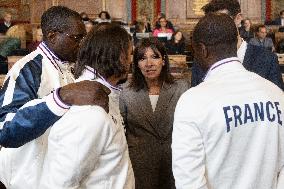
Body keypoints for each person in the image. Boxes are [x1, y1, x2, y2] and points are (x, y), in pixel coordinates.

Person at [0, 23, 135, 189]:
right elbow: (60, 184)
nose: (132, 60)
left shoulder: (95, 91)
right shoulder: (89, 111)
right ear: (119, 55)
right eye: (130, 54)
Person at [172, 13, 284, 189]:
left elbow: (189, 181)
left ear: (202, 50)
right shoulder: (275, 94)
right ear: (235, 42)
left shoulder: (192, 101)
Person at [0, 6, 109, 149]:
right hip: (30, 168)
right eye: (77, 38)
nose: (82, 44)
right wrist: (61, 98)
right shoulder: (29, 68)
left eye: (84, 37)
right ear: (52, 37)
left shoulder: (71, 64)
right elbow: (5, 130)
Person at [119, 37, 189, 189]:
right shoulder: (126, 91)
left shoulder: (182, 88)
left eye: (154, 57)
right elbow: (120, 132)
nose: (149, 63)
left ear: (163, 61)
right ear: (136, 64)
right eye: (142, 58)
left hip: (174, 164)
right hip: (140, 167)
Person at [191, 0, 284, 90]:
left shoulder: (267, 59)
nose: (216, 27)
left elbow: (279, 101)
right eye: (211, 23)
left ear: (238, 18)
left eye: (222, 20)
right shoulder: (201, 60)